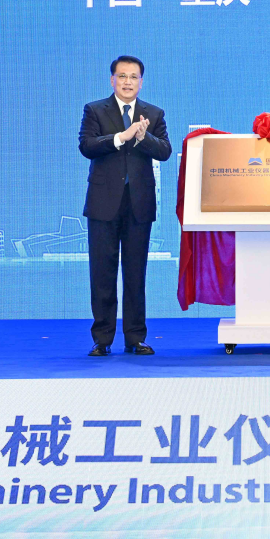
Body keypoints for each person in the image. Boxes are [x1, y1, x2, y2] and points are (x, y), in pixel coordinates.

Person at [79, 55, 171, 356]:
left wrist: (143, 138)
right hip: (103, 203)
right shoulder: (95, 110)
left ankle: (135, 338)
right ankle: (102, 339)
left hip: (138, 205)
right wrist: (121, 137)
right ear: (112, 80)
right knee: (102, 274)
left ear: (141, 82)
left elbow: (165, 151)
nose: (127, 82)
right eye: (122, 76)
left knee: (135, 274)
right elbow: (87, 146)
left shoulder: (153, 114)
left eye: (133, 77)